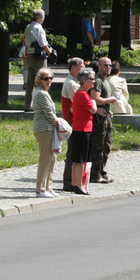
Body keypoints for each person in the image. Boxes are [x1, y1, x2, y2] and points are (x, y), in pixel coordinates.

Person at [88, 56, 118, 183]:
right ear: (99, 66)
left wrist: (107, 107)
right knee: (98, 147)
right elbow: (94, 97)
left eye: (110, 65)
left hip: (105, 116)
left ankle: (101, 170)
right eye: (105, 65)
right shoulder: (98, 80)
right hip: (98, 118)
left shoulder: (106, 81)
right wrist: (108, 101)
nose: (108, 67)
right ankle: (95, 174)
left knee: (106, 146)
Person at [31, 68, 59, 198]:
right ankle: (40, 189)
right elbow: (49, 113)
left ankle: (48, 186)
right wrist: (60, 125)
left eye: (50, 78)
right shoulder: (41, 93)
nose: (49, 81)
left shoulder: (44, 92)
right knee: (45, 159)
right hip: (44, 128)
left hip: (49, 128)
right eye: (45, 78)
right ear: (39, 80)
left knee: (52, 158)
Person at [68, 69, 97, 195]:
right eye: (91, 79)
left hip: (79, 128)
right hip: (82, 128)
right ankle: (79, 185)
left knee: (77, 159)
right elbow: (93, 110)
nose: (94, 81)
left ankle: (75, 183)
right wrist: (94, 103)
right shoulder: (83, 94)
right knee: (81, 159)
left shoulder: (79, 93)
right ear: (84, 80)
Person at [59, 58, 84, 192]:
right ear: (73, 68)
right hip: (72, 122)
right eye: (81, 66)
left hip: (73, 121)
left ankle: (71, 181)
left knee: (74, 151)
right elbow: (78, 103)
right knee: (73, 152)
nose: (83, 69)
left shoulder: (73, 82)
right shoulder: (71, 84)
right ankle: (68, 181)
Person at [23, 9, 55, 111]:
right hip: (39, 57)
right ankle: (43, 105)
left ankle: (28, 105)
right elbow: (43, 44)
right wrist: (50, 53)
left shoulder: (28, 27)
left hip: (30, 56)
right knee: (43, 81)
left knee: (30, 82)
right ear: (41, 18)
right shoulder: (39, 28)